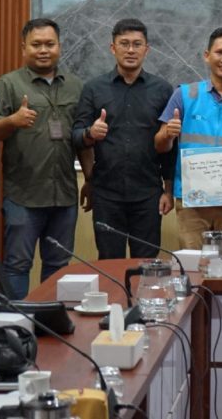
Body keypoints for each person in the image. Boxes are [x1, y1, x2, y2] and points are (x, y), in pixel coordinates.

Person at [0, 19, 87, 299]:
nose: (43, 50)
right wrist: (12, 121)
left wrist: (90, 179)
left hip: (64, 195)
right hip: (24, 195)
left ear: (59, 47)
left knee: (58, 265)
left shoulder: (75, 86)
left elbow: (81, 138)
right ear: (24, 48)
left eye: (49, 44)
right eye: (36, 44)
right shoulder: (8, 84)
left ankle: (50, 322)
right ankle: (16, 323)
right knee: (17, 265)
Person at [72, 18, 175, 259]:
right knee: (109, 263)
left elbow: (170, 147)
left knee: (146, 265)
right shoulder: (93, 88)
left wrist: (168, 190)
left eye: (137, 44)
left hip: (148, 194)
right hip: (106, 194)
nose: (130, 50)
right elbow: (75, 136)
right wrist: (90, 133)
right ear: (113, 48)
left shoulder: (162, 90)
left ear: (146, 49)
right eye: (124, 43)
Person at [155, 26, 222, 250]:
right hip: (192, 201)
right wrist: (167, 133)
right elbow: (160, 146)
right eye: (219, 52)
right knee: (193, 263)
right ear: (207, 55)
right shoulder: (184, 95)